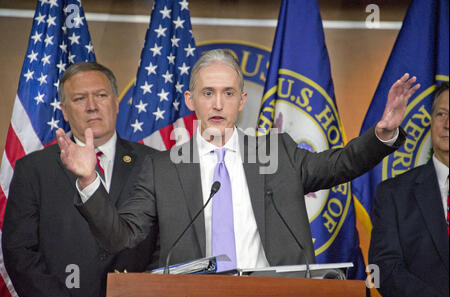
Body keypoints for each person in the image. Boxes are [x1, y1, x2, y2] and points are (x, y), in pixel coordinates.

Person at [56, 49, 418, 273]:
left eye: (228, 93)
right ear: (190, 99)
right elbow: (122, 237)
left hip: (272, 295)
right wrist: (90, 181)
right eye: (208, 93)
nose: (217, 104)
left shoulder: (278, 154)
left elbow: (341, 164)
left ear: (242, 100)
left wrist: (383, 132)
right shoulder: (160, 168)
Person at [2, 62, 158, 297]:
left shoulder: (155, 164)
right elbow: (20, 252)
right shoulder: (33, 169)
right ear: (64, 111)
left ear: (116, 103)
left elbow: (165, 244)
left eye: (101, 95)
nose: (92, 106)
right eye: (79, 99)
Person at [369, 81, 449, 297]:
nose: (447, 123)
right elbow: (384, 269)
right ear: (431, 122)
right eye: (441, 114)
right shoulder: (394, 193)